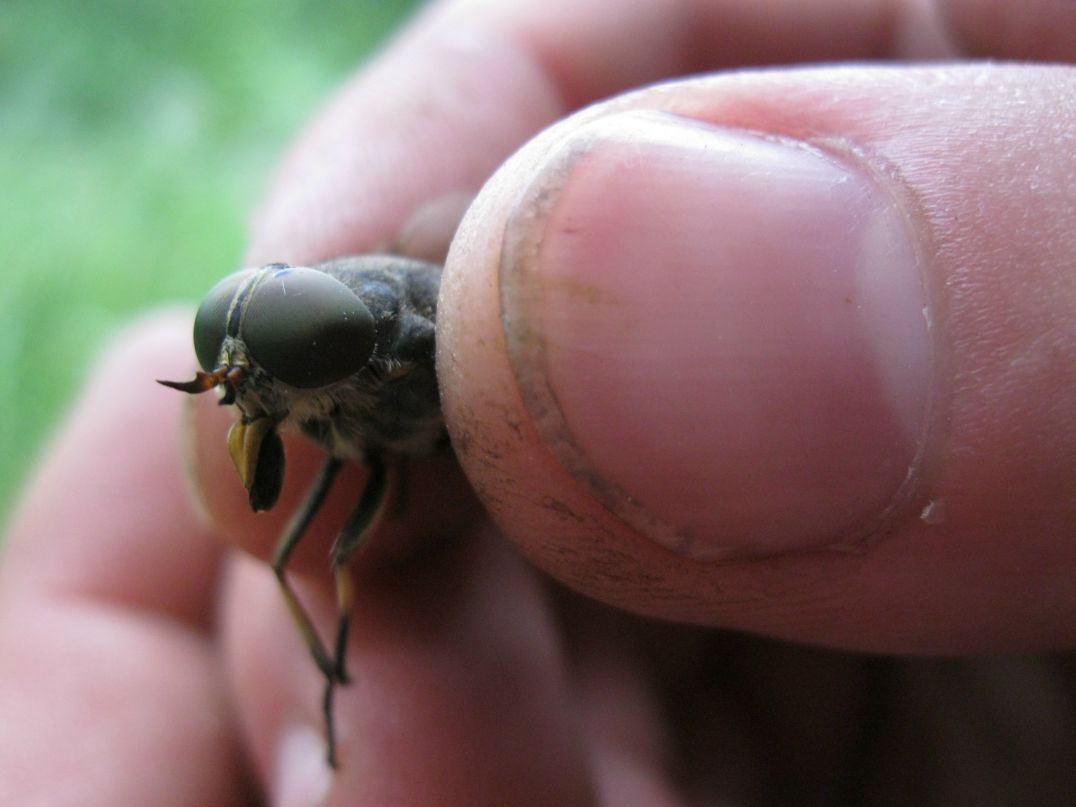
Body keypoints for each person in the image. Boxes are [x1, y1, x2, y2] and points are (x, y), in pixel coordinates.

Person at [2, 0, 1074, 803]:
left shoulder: (402, 336)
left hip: (514, 457)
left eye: (268, 349)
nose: (239, 373)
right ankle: (337, 685)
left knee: (339, 554)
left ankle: (343, 687)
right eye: (234, 354)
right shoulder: (297, 382)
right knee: (302, 557)